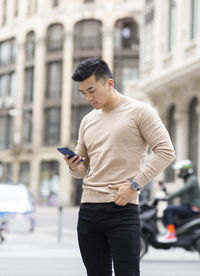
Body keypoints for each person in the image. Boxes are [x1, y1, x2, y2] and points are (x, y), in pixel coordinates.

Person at [64, 58, 175, 276]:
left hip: (122, 210)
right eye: (83, 93)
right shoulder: (87, 120)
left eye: (92, 90)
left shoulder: (140, 111)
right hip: (88, 210)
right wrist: (73, 165)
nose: (88, 98)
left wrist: (134, 185)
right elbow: (82, 170)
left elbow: (166, 152)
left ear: (110, 83)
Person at [158, 160, 200, 243]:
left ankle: (171, 234)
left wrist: (168, 197)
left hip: (192, 208)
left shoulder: (192, 180)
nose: (178, 172)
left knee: (168, 209)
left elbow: (181, 191)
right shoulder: (188, 179)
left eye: (180, 170)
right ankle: (172, 231)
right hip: (187, 206)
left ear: (185, 171)